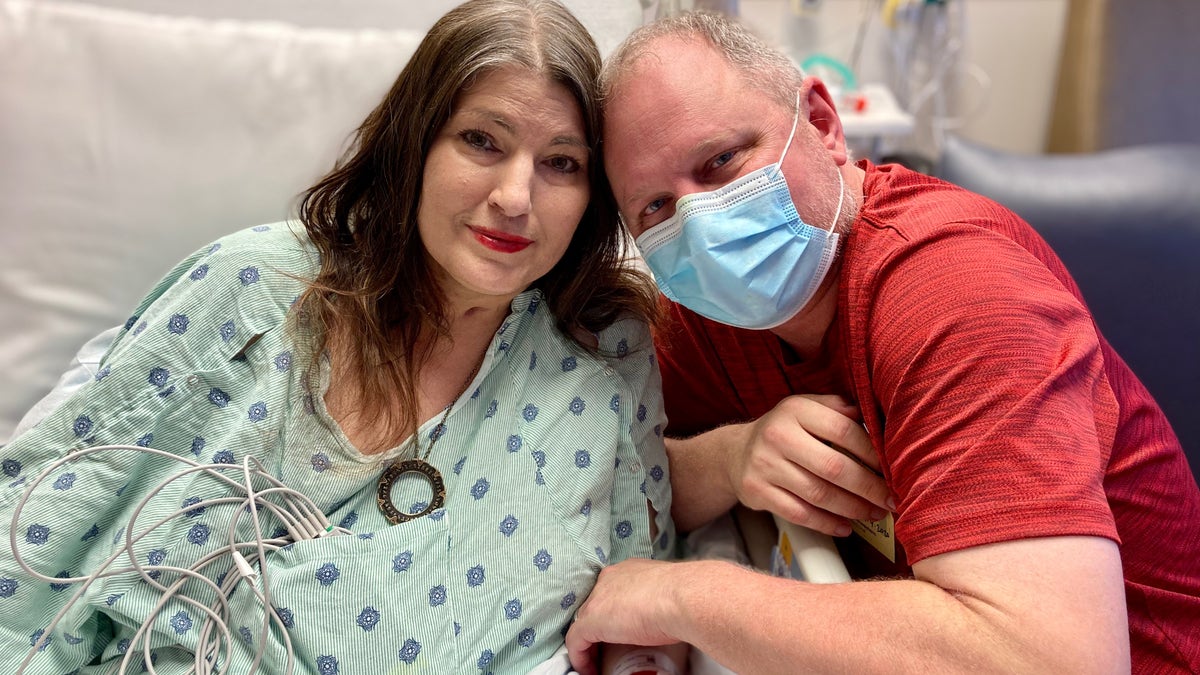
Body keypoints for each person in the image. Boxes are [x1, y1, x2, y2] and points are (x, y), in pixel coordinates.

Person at [0, 1, 675, 672]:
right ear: (415, 144)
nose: (515, 196)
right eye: (482, 141)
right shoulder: (252, 293)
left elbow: (639, 606)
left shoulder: (600, 359)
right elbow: (37, 541)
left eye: (561, 163)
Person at [565, 11, 1200, 674]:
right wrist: (732, 457)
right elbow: (619, 473)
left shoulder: (954, 293)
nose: (702, 225)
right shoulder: (715, 309)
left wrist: (681, 597)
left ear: (822, 123)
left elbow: (1056, 661)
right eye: (655, 209)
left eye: (722, 161)